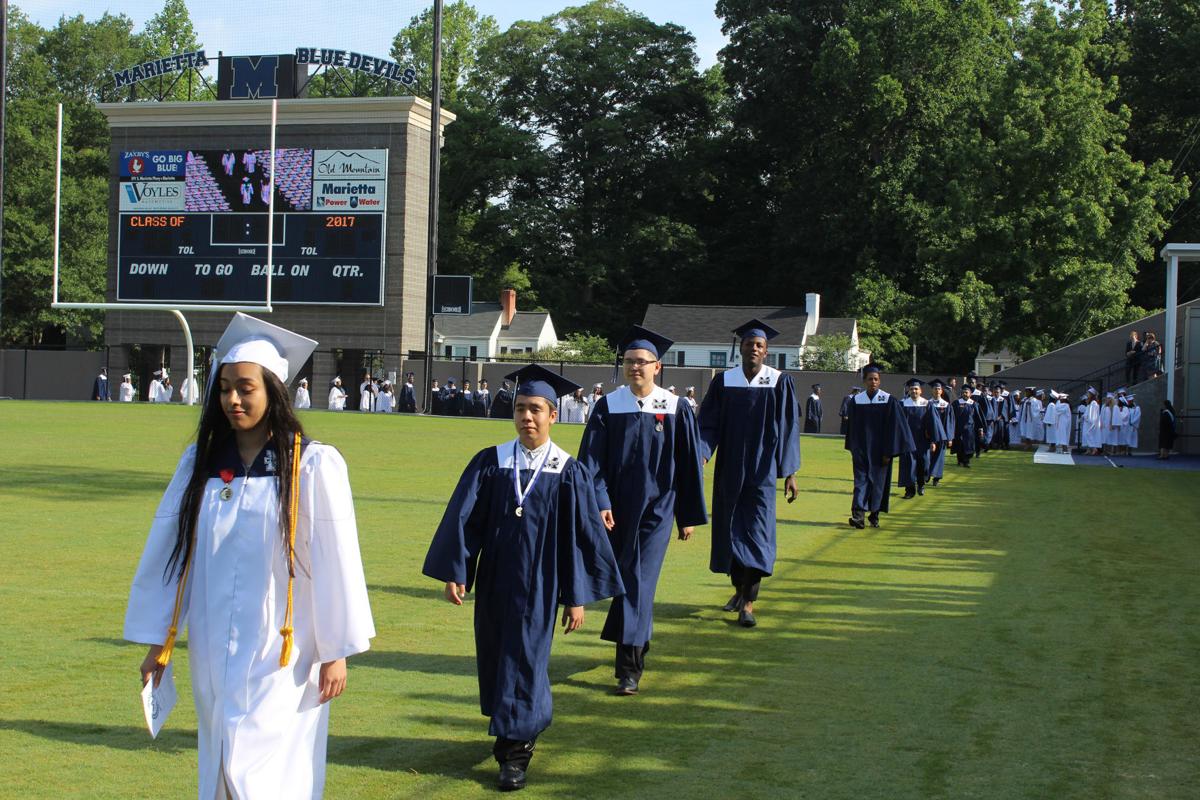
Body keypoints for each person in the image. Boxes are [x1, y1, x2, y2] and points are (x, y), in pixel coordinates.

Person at [124, 313, 375, 799]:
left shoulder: (310, 464)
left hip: (285, 651)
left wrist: (335, 649)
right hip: (213, 646)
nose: (232, 400)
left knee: (266, 768)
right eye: (224, 389)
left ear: (273, 391)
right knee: (221, 755)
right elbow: (171, 557)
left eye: (245, 388)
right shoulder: (200, 465)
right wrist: (159, 641)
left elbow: (336, 561)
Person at [423, 364, 623, 792]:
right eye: (519, 409)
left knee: (526, 661)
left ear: (553, 414)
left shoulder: (568, 471)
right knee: (497, 657)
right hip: (495, 580)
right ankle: (519, 727)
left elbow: (579, 537)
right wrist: (457, 571)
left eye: (535, 409)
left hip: (542, 584)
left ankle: (514, 754)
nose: (526, 418)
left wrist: (576, 597)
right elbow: (465, 520)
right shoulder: (492, 461)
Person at [578, 326, 707, 696]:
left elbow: (687, 465)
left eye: (642, 362)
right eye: (629, 361)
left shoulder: (676, 407)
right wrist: (600, 502)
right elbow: (592, 463)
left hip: (658, 511)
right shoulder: (609, 406)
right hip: (617, 512)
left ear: (657, 366)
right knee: (629, 581)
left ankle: (628, 669)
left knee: (638, 581)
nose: (635, 367)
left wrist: (687, 516)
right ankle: (638, 641)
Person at [699, 319, 800, 627]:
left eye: (759, 345)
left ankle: (749, 603)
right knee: (730, 531)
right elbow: (707, 424)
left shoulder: (779, 381)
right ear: (740, 348)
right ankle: (739, 590)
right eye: (748, 344)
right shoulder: (724, 382)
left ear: (766, 352)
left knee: (757, 533)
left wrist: (790, 472)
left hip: (762, 471)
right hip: (729, 468)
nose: (753, 348)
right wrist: (702, 454)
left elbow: (788, 428)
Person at [845, 364, 914, 528]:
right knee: (860, 482)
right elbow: (852, 428)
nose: (873, 382)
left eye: (876, 379)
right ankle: (858, 515)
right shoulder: (856, 401)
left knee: (877, 484)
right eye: (870, 379)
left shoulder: (888, 400)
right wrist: (853, 448)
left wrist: (889, 452)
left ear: (880, 381)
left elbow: (895, 428)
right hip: (861, 450)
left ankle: (874, 515)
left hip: (881, 452)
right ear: (864, 381)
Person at [898, 378, 944, 499]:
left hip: (923, 440)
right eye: (912, 389)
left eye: (916, 389)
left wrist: (933, 440)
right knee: (908, 465)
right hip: (908, 441)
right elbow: (898, 424)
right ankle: (909, 490)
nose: (914, 391)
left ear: (921, 391)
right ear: (909, 390)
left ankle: (921, 484)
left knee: (924, 464)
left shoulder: (927, 404)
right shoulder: (903, 404)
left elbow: (933, 423)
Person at [927, 380, 955, 486]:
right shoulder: (927, 403)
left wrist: (950, 438)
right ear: (932, 390)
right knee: (928, 457)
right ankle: (927, 475)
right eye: (935, 389)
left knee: (940, 458)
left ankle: (936, 479)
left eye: (939, 389)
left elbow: (950, 422)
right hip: (929, 436)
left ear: (942, 391)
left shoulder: (946, 405)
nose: (937, 391)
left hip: (942, 437)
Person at [951, 384, 984, 467]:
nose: (965, 394)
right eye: (963, 392)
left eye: (966, 392)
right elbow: (952, 417)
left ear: (970, 394)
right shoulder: (956, 403)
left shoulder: (974, 404)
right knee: (959, 445)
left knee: (969, 446)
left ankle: (966, 461)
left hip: (970, 429)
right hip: (958, 428)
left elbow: (978, 417)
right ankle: (960, 460)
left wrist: (980, 429)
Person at [1082, 388, 1102, 455]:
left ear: (1091, 394)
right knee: (1086, 435)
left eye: (1088, 393)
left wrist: (1088, 419)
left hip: (1091, 422)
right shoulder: (1090, 403)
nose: (1087, 395)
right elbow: (1087, 412)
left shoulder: (1093, 403)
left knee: (1089, 434)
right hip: (1087, 422)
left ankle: (1094, 449)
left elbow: (1092, 414)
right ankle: (1089, 449)